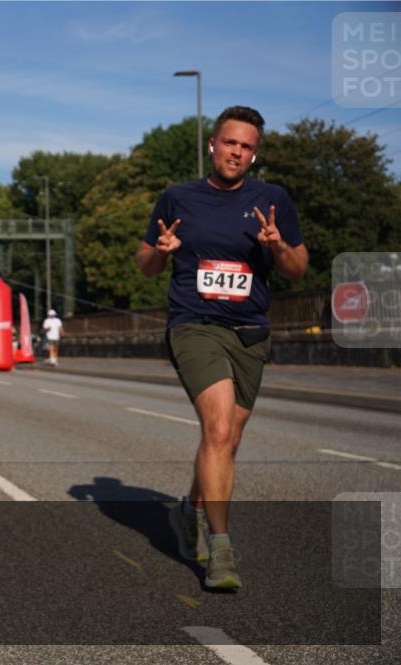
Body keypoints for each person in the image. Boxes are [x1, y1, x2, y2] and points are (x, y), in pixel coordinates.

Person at [136, 106, 307, 590]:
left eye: (247, 146)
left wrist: (277, 246)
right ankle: (221, 549)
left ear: (255, 154)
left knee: (229, 438)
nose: (237, 152)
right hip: (194, 325)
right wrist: (159, 250)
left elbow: (297, 269)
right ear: (213, 145)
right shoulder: (178, 198)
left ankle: (189, 507)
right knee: (216, 427)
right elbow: (146, 264)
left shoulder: (272, 199)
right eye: (230, 142)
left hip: (250, 330)